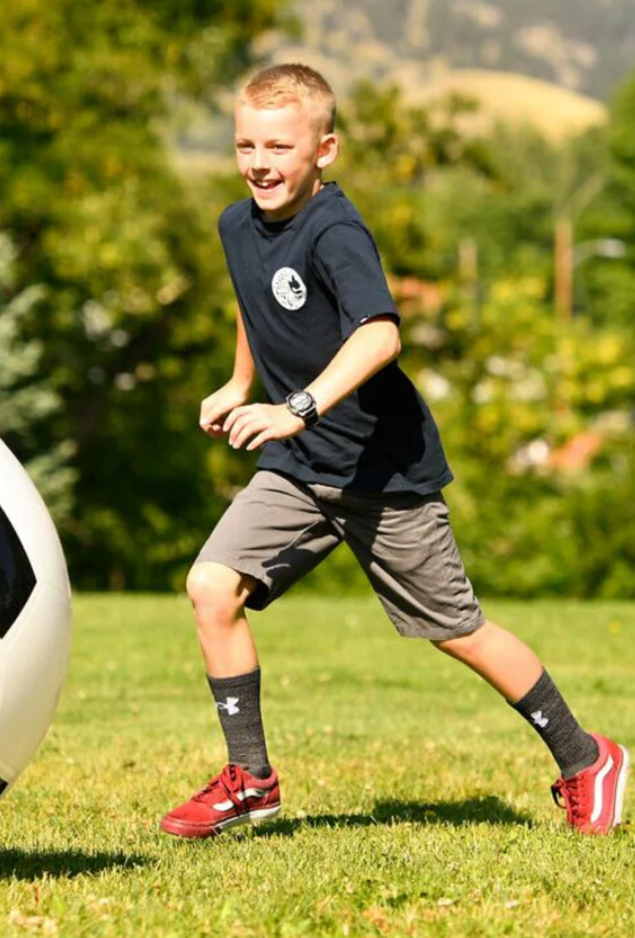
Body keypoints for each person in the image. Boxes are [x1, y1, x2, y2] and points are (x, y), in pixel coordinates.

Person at [160, 63, 628, 839]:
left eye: (280, 145)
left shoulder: (336, 230)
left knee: (457, 629)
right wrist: (239, 382)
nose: (260, 162)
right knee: (212, 586)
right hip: (299, 468)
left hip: (383, 470)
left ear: (326, 149)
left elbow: (380, 333)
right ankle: (251, 778)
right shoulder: (236, 225)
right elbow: (253, 301)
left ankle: (586, 759)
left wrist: (297, 407)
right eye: (246, 144)